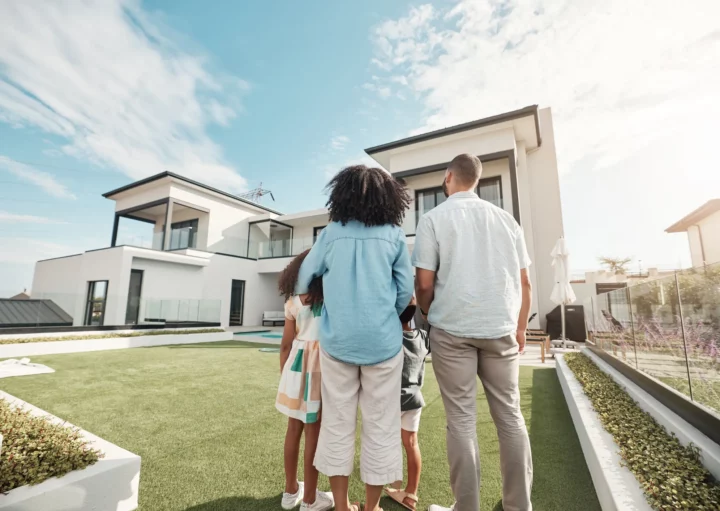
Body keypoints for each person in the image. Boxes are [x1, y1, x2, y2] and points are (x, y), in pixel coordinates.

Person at [413, 154, 534, 511]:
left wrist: (425, 314)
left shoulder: (433, 219)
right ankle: (518, 506)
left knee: (462, 421)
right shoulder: (507, 221)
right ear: (477, 180)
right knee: (510, 416)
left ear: (449, 176)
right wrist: (522, 326)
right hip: (501, 329)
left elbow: (423, 283)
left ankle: (466, 508)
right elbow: (525, 282)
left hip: (452, 329)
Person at [296, 165, 414, 511]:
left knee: (337, 425)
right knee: (380, 426)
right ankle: (373, 506)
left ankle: (343, 506)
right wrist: (386, 315)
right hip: (384, 344)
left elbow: (304, 277)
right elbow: (405, 290)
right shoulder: (394, 235)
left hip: (339, 343)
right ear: (387, 197)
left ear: (342, 194)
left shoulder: (331, 233)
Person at [276, 250, 334, 511]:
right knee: (314, 432)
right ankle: (310, 499)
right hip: (321, 368)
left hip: (295, 369)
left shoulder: (292, 301)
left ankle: (290, 492)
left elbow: (286, 345)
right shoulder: (331, 299)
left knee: (293, 429)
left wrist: (285, 376)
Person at [384, 296, 429, 511]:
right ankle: (411, 494)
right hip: (414, 400)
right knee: (411, 445)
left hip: (392, 401)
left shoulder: (389, 339)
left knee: (384, 444)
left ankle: (392, 484)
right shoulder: (422, 337)